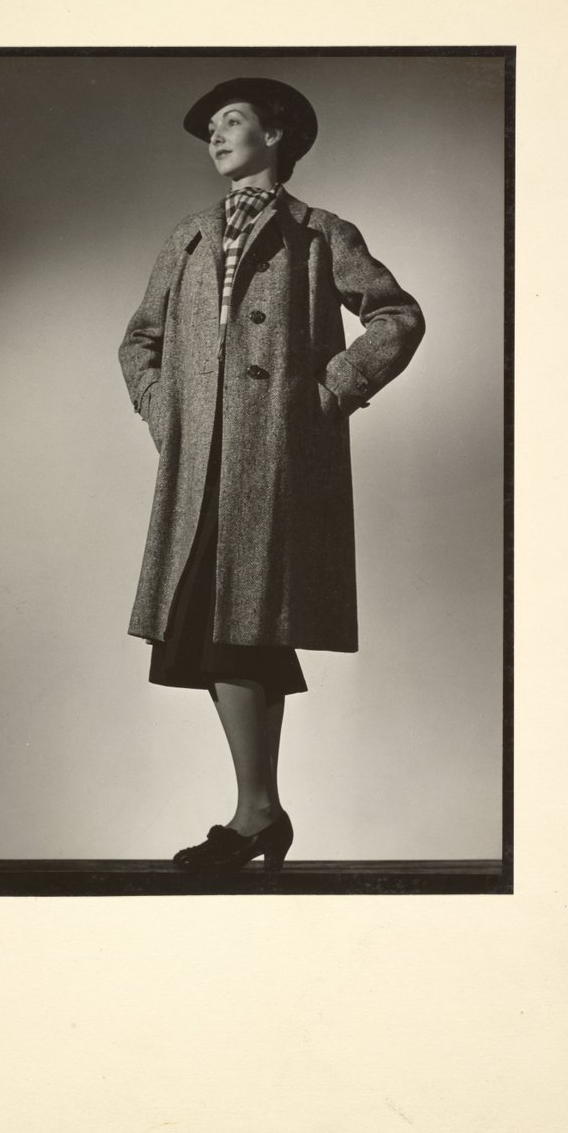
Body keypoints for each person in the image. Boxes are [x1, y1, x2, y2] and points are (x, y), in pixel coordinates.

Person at [118, 77, 425, 874]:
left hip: (275, 460)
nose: (215, 136)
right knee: (216, 626)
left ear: (276, 134)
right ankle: (258, 812)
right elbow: (140, 339)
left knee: (243, 627)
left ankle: (256, 814)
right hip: (200, 461)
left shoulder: (320, 233)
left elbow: (395, 315)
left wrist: (327, 394)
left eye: (232, 121)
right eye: (210, 129)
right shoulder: (189, 235)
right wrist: (161, 409)